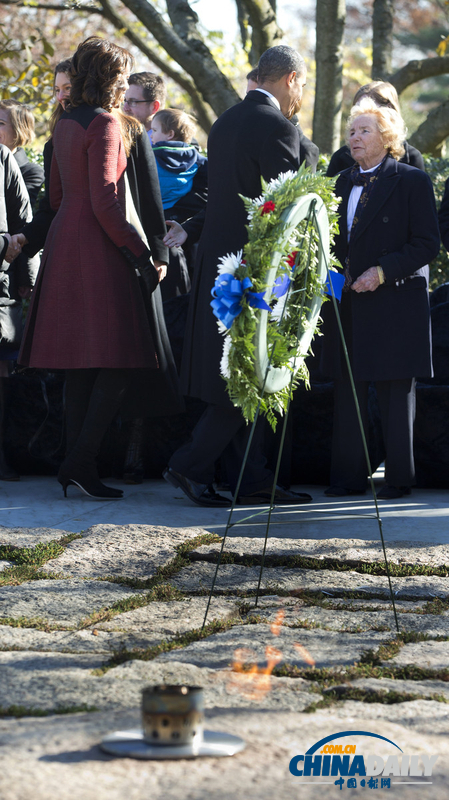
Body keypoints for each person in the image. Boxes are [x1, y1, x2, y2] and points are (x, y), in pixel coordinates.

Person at [18, 36, 169, 500]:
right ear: (109, 78)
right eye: (122, 77)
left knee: (82, 366)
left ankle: (74, 461)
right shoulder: (105, 123)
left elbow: (59, 198)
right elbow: (107, 201)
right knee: (121, 358)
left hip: (67, 242)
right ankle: (81, 460)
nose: (125, 86)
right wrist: (143, 255)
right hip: (99, 248)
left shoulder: (64, 124)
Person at [163, 44, 314, 507]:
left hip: (218, 266)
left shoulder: (224, 122)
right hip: (254, 273)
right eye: (302, 87)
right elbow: (285, 208)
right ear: (290, 78)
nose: (300, 97)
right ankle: (188, 465)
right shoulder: (278, 128)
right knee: (249, 372)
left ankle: (249, 479)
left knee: (235, 372)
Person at [320, 97, 440, 500]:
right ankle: (347, 477)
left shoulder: (410, 180)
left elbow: (426, 244)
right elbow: (333, 243)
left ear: (387, 138)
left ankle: (398, 479)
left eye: (363, 130)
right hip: (349, 301)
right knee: (347, 388)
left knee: (393, 390)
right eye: (351, 131)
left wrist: (383, 271)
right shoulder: (338, 181)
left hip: (395, 301)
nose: (354, 137)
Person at [327, 81, 424, 177]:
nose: (362, 113)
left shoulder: (411, 158)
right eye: (358, 107)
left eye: (369, 106)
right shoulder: (340, 158)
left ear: (389, 110)